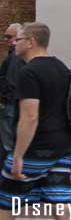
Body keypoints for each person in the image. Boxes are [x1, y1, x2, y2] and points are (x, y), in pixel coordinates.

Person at [0, 23, 71, 218]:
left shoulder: (29, 72)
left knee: (6, 204)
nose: (14, 43)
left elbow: (30, 117)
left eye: (19, 39)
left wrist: (18, 156)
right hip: (62, 146)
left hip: (36, 149)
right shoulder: (61, 67)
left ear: (31, 42)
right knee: (60, 204)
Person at [0, 25, 24, 164]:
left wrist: (6, 98)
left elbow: (12, 82)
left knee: (8, 143)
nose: (6, 39)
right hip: (11, 104)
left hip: (11, 105)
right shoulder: (14, 55)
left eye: (9, 36)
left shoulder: (16, 56)